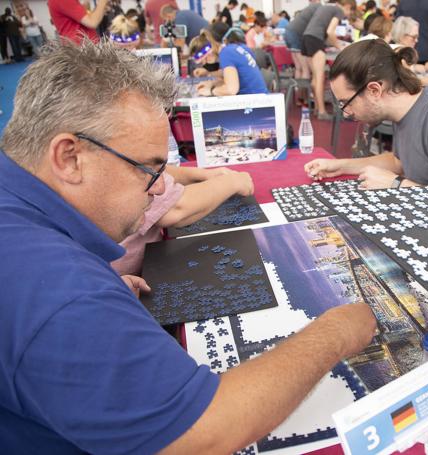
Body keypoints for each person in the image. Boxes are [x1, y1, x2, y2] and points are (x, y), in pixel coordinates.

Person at [0, 39, 377, 452]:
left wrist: (94, 296)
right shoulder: (62, 295)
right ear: (70, 158)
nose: (162, 185)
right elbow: (203, 434)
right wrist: (336, 332)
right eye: (148, 168)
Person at [304, 39, 428, 212]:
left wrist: (395, 185)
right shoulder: (403, 112)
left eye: (345, 103)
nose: (346, 113)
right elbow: (400, 162)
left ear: (374, 90)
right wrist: (341, 166)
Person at [112, 165, 254, 275]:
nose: (160, 187)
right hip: (123, 278)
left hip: (149, 260)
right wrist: (233, 182)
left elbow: (155, 167)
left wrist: (199, 174)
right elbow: (175, 208)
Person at [302, 0, 357, 120]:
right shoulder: (339, 10)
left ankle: (317, 108)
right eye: (350, 12)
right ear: (347, 6)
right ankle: (322, 112)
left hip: (307, 38)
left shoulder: (328, 6)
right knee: (320, 78)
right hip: (315, 39)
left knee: (315, 78)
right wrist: (340, 47)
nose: (347, 15)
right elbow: (330, 31)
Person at [193, 28, 269, 96]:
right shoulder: (232, 48)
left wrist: (211, 91)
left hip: (256, 104)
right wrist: (212, 84)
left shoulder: (226, 54)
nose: (206, 64)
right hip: (260, 99)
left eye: (205, 60)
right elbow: (230, 78)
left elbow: (231, 89)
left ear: (209, 54)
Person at [392, 17, 428, 85]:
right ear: (402, 36)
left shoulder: (394, 49)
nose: (416, 40)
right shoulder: (399, 55)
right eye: (413, 37)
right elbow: (410, 83)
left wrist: (414, 67)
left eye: (417, 37)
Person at [284, 3, 321, 81]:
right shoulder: (319, 8)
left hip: (288, 32)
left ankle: (297, 89)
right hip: (295, 34)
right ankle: (303, 92)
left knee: (298, 67)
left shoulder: (309, 10)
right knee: (305, 69)